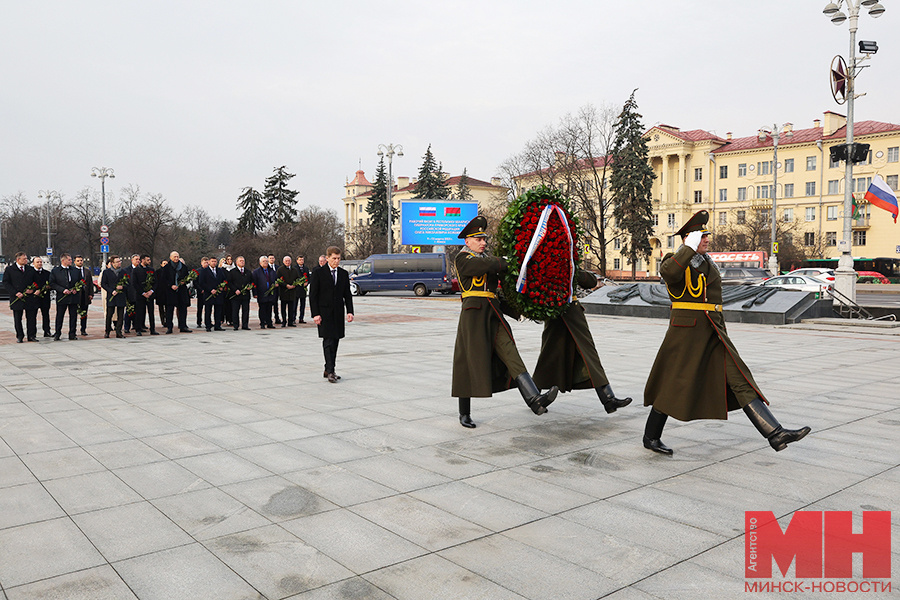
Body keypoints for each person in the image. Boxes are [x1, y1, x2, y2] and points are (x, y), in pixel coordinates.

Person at [643, 210, 811, 455]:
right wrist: (687, 248)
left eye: (706, 235)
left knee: (740, 378)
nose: (707, 239)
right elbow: (668, 273)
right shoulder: (676, 260)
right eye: (701, 236)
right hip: (686, 336)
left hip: (713, 332)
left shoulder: (705, 262)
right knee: (672, 385)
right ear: (689, 239)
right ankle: (650, 436)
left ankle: (775, 434)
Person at [451, 216, 558, 427]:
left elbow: (496, 294)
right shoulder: (463, 259)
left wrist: (520, 312)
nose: (483, 242)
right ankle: (464, 413)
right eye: (478, 239)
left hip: (493, 314)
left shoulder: (487, 260)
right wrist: (506, 262)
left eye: (484, 239)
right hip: (473, 318)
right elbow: (482, 266)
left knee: (511, 354)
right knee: (468, 363)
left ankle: (534, 399)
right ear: (467, 241)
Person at [532, 269, 632, 414]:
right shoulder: (550, 262)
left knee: (589, 354)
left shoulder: (570, 263)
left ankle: (608, 399)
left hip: (572, 312)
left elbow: (590, 281)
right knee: (549, 356)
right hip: (556, 311)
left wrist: (574, 271)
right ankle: (534, 397)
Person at [309, 246, 354, 383]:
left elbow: (347, 295)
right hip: (324, 313)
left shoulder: (343, 274)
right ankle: (331, 370)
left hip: (338, 313)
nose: (336, 261)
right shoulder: (318, 273)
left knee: (335, 341)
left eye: (339, 258)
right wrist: (315, 314)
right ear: (327, 258)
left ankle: (328, 368)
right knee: (328, 341)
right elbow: (313, 295)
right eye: (334, 258)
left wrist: (350, 311)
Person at [4, 252, 38, 343]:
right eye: (24, 259)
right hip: (17, 298)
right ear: (18, 259)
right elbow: (6, 283)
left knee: (31, 317)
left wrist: (32, 289)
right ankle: (20, 336)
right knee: (17, 318)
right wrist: (15, 293)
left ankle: (31, 335)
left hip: (29, 297)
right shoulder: (10, 269)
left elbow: (36, 281)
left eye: (26, 258)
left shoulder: (30, 269)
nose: (26, 260)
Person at [159, 251, 192, 333]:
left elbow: (188, 278)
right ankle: (169, 327)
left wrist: (184, 281)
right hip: (171, 291)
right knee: (169, 310)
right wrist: (171, 285)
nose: (176, 258)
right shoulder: (167, 267)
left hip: (181, 291)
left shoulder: (183, 267)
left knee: (182, 309)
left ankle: (183, 326)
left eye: (177, 256)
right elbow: (163, 279)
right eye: (174, 257)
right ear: (170, 258)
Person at [50, 253, 80, 340]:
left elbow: (80, 282)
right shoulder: (55, 271)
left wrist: (76, 289)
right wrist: (62, 290)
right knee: (60, 315)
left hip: (73, 297)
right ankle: (57, 333)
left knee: (73, 316)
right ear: (63, 260)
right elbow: (52, 283)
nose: (71, 261)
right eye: (69, 260)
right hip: (62, 296)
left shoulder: (75, 270)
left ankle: (72, 333)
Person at [101, 255, 127, 338]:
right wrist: (111, 290)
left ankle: (119, 332)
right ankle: (107, 331)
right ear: (112, 263)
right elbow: (103, 284)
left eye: (120, 261)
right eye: (117, 262)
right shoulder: (107, 272)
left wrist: (122, 287)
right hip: (111, 296)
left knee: (120, 315)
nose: (119, 263)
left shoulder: (123, 272)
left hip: (120, 296)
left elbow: (128, 283)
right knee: (109, 315)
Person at [133, 254, 160, 335]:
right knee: (139, 312)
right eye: (147, 260)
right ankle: (138, 329)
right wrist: (142, 293)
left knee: (151, 312)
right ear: (142, 260)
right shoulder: (136, 270)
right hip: (140, 295)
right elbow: (135, 283)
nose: (149, 261)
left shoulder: (151, 270)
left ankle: (152, 329)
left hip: (150, 294)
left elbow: (156, 282)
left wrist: (151, 291)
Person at [199, 256, 227, 331]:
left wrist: (222, 286)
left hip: (218, 294)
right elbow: (201, 282)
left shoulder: (219, 270)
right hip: (209, 293)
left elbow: (224, 279)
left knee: (218, 310)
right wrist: (210, 290)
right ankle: (208, 326)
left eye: (215, 261)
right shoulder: (204, 271)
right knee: (208, 310)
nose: (214, 263)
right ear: (209, 262)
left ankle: (217, 325)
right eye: (212, 261)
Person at [226, 255, 253, 330]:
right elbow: (229, 282)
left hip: (245, 294)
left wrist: (250, 286)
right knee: (235, 310)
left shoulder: (248, 272)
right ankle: (236, 325)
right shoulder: (232, 272)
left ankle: (245, 325)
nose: (242, 262)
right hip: (235, 294)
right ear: (237, 262)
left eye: (243, 261)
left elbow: (252, 281)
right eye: (240, 261)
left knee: (246, 311)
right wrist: (235, 290)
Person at [252, 256, 277, 329]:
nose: (265, 263)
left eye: (266, 261)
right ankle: (262, 323)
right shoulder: (256, 272)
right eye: (264, 261)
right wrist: (255, 293)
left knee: (269, 309)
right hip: (261, 293)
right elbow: (254, 283)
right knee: (262, 309)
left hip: (270, 293)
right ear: (260, 263)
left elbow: (275, 279)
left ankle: (269, 323)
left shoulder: (272, 271)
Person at [72, 255, 94, 336]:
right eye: (78, 261)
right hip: (76, 295)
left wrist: (91, 294)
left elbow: (90, 283)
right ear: (74, 262)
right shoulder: (72, 271)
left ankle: (83, 329)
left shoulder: (87, 271)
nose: (80, 262)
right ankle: (73, 330)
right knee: (74, 314)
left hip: (85, 295)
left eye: (81, 260)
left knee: (84, 313)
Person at [32, 257, 52, 337]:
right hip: (34, 297)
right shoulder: (30, 273)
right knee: (33, 316)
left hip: (45, 298)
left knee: (46, 314)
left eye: (41, 262)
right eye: (37, 262)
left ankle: (47, 331)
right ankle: (33, 333)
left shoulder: (47, 273)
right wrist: (34, 291)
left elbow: (51, 283)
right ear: (33, 263)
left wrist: (48, 287)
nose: (40, 263)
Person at [276, 255, 299, 327]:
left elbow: (297, 278)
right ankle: (284, 321)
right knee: (283, 308)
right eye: (286, 261)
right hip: (284, 291)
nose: (287, 262)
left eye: (289, 261)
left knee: (291, 308)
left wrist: (295, 285)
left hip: (292, 291)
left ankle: (290, 321)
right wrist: (286, 285)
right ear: (283, 262)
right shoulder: (280, 270)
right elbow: (278, 280)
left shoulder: (294, 270)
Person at [122, 254, 141, 334]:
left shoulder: (141, 269)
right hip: (129, 293)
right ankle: (127, 327)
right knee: (129, 311)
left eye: (139, 259)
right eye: (136, 259)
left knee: (138, 311)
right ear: (132, 260)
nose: (138, 261)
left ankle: (137, 327)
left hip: (139, 294)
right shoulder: (126, 270)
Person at [295, 255, 311, 324]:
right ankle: (293, 318)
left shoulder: (306, 268)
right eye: (300, 260)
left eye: (302, 260)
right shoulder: (294, 268)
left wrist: (307, 282)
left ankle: (301, 318)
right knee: (295, 304)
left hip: (303, 289)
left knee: (303, 305)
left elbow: (309, 277)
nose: (301, 261)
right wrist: (299, 282)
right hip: (296, 289)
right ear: (297, 261)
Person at [267, 253, 282, 324]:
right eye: (270, 258)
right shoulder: (266, 268)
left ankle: (277, 318)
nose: (272, 259)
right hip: (269, 289)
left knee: (276, 305)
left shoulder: (278, 268)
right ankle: (267, 319)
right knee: (268, 305)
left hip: (276, 289)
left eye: (273, 258)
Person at [220, 254, 234, 326]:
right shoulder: (222, 269)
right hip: (224, 289)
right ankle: (222, 319)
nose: (229, 261)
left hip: (232, 289)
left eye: (230, 259)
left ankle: (230, 319)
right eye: (228, 259)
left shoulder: (234, 268)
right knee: (223, 305)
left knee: (230, 306)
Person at [195, 257, 209, 328]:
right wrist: (200, 289)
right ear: (201, 263)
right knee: (200, 308)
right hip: (200, 292)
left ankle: (208, 321)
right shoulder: (198, 271)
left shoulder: (209, 271)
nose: (206, 264)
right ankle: (199, 322)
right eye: (205, 263)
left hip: (208, 292)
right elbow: (195, 282)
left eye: (207, 263)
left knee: (208, 308)